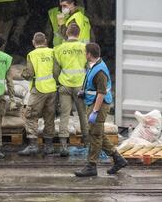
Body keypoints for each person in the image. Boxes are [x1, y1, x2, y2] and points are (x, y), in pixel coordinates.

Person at [74, 42, 127, 177]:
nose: (84, 54)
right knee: (97, 133)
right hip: (92, 102)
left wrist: (95, 111)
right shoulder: (94, 66)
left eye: (85, 52)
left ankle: (91, 166)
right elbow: (93, 86)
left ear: (89, 54)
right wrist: (84, 92)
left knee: (95, 135)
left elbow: (102, 93)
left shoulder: (100, 71)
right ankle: (118, 159)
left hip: (99, 105)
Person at [18, 32, 58, 156]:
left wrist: (22, 74)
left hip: (38, 90)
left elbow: (29, 74)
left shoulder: (32, 54)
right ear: (45, 41)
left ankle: (33, 145)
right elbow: (56, 71)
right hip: (51, 88)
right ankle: (49, 146)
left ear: (33, 42)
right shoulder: (52, 52)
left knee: (30, 115)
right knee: (49, 116)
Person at [54, 23, 89, 156]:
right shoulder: (85, 48)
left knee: (64, 115)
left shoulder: (58, 49)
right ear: (78, 34)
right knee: (83, 114)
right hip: (80, 86)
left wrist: (58, 83)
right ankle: (87, 143)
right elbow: (89, 66)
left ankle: (63, 146)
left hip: (65, 85)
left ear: (67, 33)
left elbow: (56, 71)